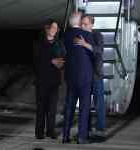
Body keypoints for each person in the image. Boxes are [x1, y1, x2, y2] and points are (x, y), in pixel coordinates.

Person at [62, 12, 94, 144]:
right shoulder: (86, 35)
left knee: (69, 106)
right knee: (84, 107)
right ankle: (81, 137)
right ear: (80, 21)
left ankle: (65, 136)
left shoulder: (65, 35)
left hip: (70, 76)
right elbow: (94, 53)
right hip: (85, 77)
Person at [33, 19, 65, 139]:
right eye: (53, 28)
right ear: (47, 28)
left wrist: (61, 63)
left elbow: (63, 58)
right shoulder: (38, 44)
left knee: (52, 109)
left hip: (54, 80)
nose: (55, 30)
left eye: (57, 28)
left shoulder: (59, 43)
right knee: (41, 108)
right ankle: (39, 132)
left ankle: (50, 131)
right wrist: (51, 61)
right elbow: (35, 62)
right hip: (41, 81)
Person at [74, 15, 105, 136]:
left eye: (85, 24)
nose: (83, 26)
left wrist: (84, 44)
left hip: (96, 74)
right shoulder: (78, 35)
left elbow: (99, 50)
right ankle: (86, 128)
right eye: (82, 24)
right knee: (84, 103)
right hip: (83, 74)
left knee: (99, 102)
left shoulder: (97, 35)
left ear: (92, 25)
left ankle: (100, 128)